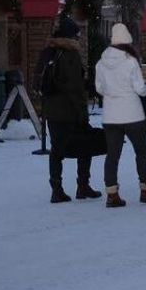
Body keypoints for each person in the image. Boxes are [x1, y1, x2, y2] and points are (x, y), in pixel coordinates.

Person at [95, 23, 146, 207]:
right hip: (132, 115)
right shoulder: (130, 61)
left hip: (110, 117)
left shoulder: (101, 63)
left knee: (112, 155)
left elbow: (99, 88)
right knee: (141, 152)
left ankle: (112, 193)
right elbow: (139, 89)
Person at [37, 14, 101, 203]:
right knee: (85, 146)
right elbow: (74, 87)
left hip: (52, 110)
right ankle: (83, 185)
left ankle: (56, 189)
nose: (78, 38)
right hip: (70, 110)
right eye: (77, 35)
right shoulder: (70, 54)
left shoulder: (47, 52)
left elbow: (40, 82)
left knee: (57, 151)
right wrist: (82, 111)